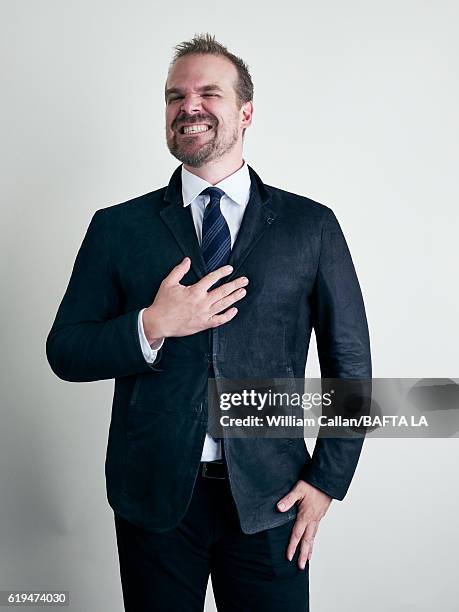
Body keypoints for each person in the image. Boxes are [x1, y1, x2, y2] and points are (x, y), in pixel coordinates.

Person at [46, 33, 371, 612]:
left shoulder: (310, 226)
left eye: (207, 93)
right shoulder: (117, 228)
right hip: (154, 499)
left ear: (245, 112)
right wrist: (151, 324)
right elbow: (66, 350)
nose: (188, 107)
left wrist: (326, 482)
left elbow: (351, 367)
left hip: (273, 500)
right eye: (175, 96)